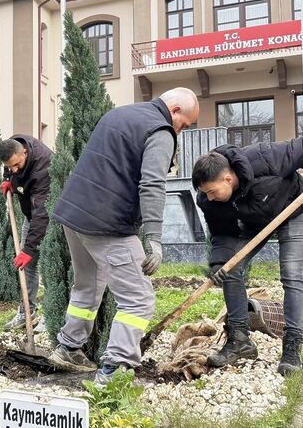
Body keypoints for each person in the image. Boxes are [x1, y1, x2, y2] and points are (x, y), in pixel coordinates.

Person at [47, 87, 200, 384]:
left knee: (87, 286)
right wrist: (154, 237)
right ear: (176, 110)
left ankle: (68, 347)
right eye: (184, 124)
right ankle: (114, 369)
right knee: (138, 298)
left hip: (73, 214)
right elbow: (153, 183)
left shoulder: (119, 114)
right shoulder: (160, 129)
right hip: (108, 224)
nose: (180, 131)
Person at [192, 136, 303, 376]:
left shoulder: (263, 158)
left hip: (293, 210)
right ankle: (239, 341)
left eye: (213, 191)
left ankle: (292, 346)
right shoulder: (209, 200)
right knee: (230, 269)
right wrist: (218, 262)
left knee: (290, 274)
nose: (210, 197)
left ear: (227, 178)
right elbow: (222, 232)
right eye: (206, 193)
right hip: (255, 221)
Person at [0, 135, 52, 331]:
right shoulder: (13, 147)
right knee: (27, 266)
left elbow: (42, 213)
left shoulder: (43, 166)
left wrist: (29, 248)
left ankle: (52, 313)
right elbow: (8, 167)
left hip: (49, 218)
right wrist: (7, 180)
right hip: (31, 216)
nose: (14, 170)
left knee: (49, 267)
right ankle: (27, 311)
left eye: (16, 165)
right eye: (10, 166)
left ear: (25, 153)